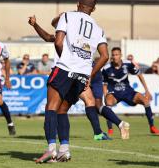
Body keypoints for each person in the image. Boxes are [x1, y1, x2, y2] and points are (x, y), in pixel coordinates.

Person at [35, 0, 113, 164]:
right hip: (82, 75)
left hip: (65, 69)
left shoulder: (67, 16)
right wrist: (90, 75)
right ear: (93, 9)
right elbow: (105, 56)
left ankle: (50, 150)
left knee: (51, 108)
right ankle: (64, 150)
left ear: (78, 4)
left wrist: (67, 61)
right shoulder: (99, 29)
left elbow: (57, 41)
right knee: (63, 110)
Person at [28, 14, 123, 142]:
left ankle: (97, 133)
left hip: (75, 73)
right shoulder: (63, 36)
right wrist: (35, 25)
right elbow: (47, 35)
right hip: (64, 72)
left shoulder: (75, 36)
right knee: (57, 107)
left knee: (88, 101)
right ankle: (54, 135)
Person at [102, 47, 159, 135]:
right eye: (113, 55)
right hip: (114, 94)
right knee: (108, 103)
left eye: (117, 55)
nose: (115, 57)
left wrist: (147, 90)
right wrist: (105, 95)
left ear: (121, 55)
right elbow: (105, 84)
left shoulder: (128, 64)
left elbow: (139, 75)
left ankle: (152, 126)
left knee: (145, 100)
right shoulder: (106, 68)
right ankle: (110, 129)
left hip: (128, 92)